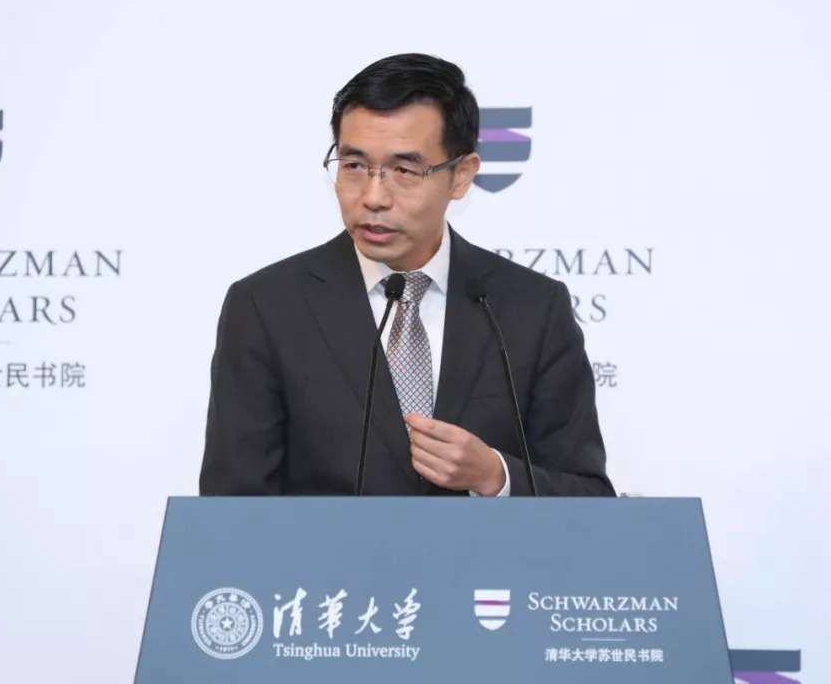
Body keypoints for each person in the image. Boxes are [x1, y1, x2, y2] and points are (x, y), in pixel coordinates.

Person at [199, 53, 614, 497]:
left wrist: (496, 476)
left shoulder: (531, 308)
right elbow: (232, 510)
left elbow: (589, 499)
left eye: (404, 170)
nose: (374, 197)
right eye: (354, 166)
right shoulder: (267, 307)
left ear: (461, 176)